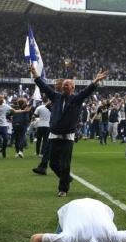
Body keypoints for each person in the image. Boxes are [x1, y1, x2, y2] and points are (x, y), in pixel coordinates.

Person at [31, 64, 108, 197]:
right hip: (54, 136)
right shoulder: (56, 97)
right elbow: (44, 87)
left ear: (72, 88)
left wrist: (95, 81)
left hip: (67, 137)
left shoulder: (76, 99)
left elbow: (87, 91)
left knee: (65, 164)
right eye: (64, 84)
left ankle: (63, 189)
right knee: (53, 163)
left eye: (68, 84)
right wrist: (36, 75)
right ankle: (66, 178)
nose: (65, 86)